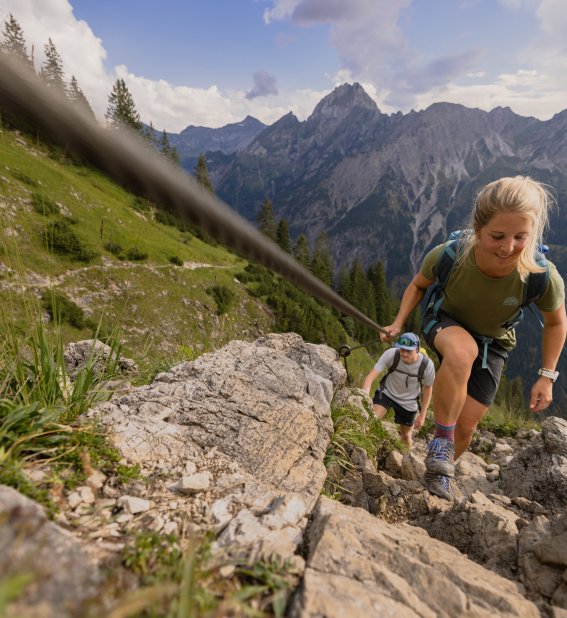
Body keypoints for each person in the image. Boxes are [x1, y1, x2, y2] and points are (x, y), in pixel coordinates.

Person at [381, 176, 567, 500]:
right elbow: (418, 284)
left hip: (493, 344)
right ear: (478, 229)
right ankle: (440, 442)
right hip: (445, 320)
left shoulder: (540, 274)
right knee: (462, 351)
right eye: (497, 236)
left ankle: (436, 472)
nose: (508, 247)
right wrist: (398, 322)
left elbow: (556, 323)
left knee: (466, 428)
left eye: (521, 237)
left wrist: (547, 376)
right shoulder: (451, 254)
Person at [362, 332, 435, 449]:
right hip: (387, 392)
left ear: (417, 349)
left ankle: (407, 459)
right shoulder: (391, 354)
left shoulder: (427, 365)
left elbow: (428, 388)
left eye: (408, 351)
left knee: (406, 436)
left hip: (409, 401)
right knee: (372, 420)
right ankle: (365, 447)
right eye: (402, 350)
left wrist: (422, 414)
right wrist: (363, 395)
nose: (404, 354)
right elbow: (370, 377)